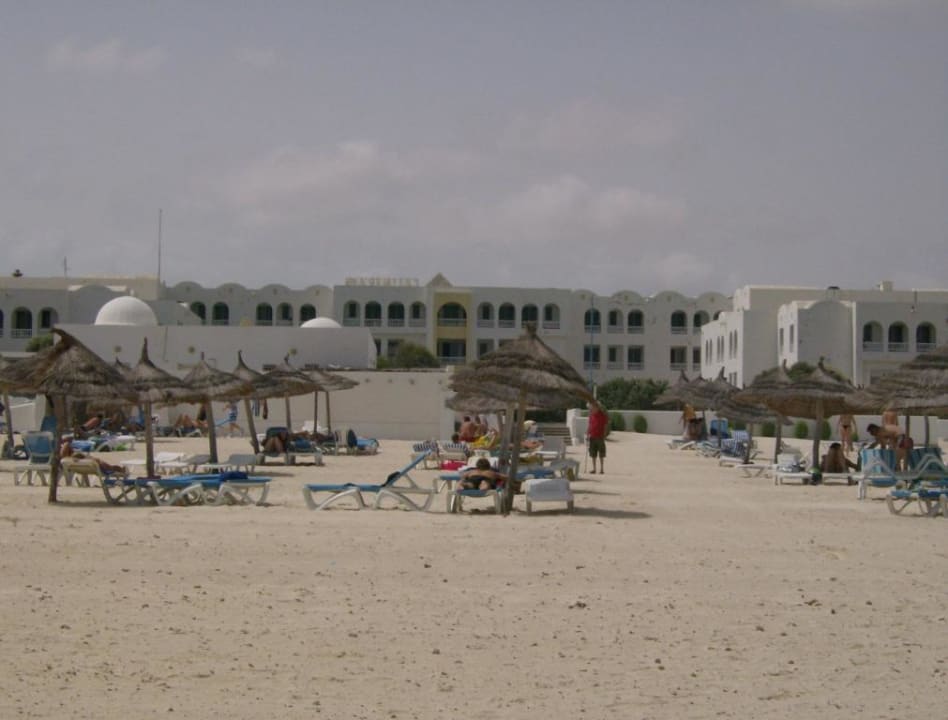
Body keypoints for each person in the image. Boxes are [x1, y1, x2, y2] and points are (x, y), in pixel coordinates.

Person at [586, 399, 609, 474]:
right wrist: (587, 433)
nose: (591, 409)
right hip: (592, 437)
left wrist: (604, 435)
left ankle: (602, 469)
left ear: (597, 407)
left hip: (600, 437)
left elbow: (605, 426)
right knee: (593, 454)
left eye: (592, 408)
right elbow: (590, 425)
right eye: (590, 408)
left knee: (601, 454)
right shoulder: (591, 416)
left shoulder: (602, 415)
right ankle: (594, 469)